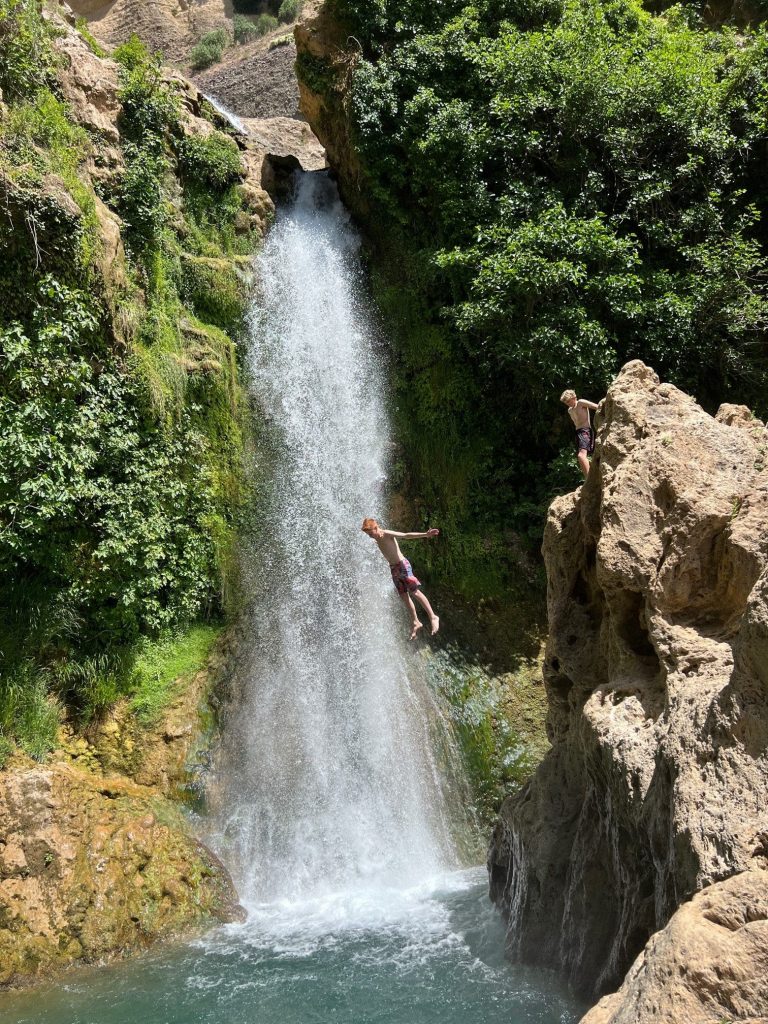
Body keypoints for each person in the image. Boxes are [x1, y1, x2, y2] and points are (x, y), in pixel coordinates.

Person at [361, 518, 440, 640]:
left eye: (371, 534)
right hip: (394, 568)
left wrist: (426, 534)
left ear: (376, 528)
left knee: (415, 591)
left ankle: (433, 616)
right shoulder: (377, 539)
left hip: (402, 565)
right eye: (368, 535)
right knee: (404, 596)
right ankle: (416, 621)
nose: (370, 537)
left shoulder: (386, 533)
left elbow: (406, 535)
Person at [560, 389, 599, 477]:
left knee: (581, 456)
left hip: (585, 431)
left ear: (574, 397)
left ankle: (589, 478)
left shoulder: (580, 403)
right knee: (582, 457)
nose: (567, 404)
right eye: (566, 403)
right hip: (578, 433)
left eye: (568, 401)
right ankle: (589, 478)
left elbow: (597, 406)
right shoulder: (570, 410)